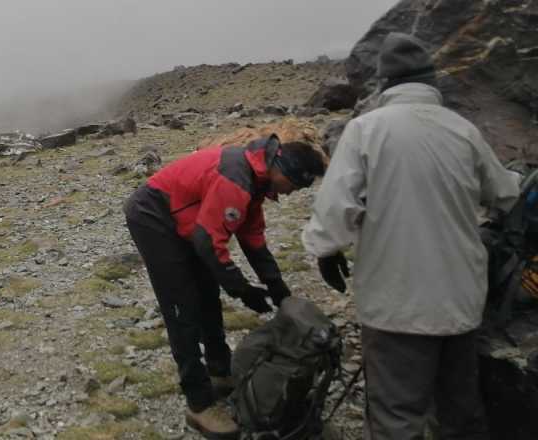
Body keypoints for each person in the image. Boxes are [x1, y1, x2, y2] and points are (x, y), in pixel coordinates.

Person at [302, 33, 520, 440]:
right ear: (431, 81)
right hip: (461, 300)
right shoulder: (463, 130)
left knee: (396, 417)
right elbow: (506, 193)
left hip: (394, 304)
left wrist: (324, 249)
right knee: (459, 412)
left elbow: (335, 208)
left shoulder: (366, 130)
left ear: (385, 84)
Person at [124, 134, 327, 439]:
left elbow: (253, 241)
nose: (289, 194)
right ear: (283, 169)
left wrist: (278, 290)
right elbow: (208, 242)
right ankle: (199, 403)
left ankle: (219, 371)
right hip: (153, 215)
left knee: (207, 292)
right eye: (294, 186)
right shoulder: (238, 179)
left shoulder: (255, 180)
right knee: (183, 307)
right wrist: (241, 288)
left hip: (185, 218)